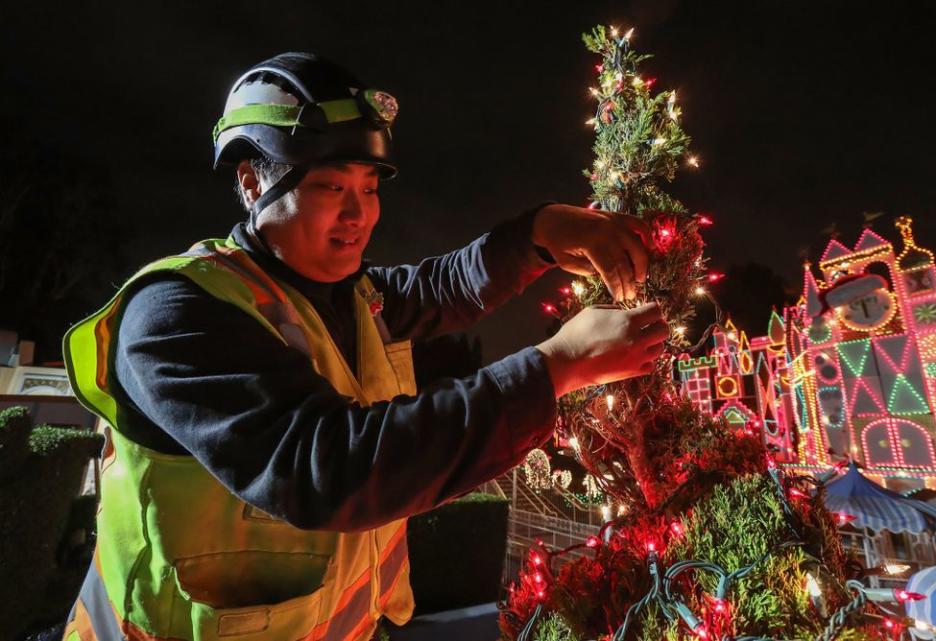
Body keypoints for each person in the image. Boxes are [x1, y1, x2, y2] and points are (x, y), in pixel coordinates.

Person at [60, 52, 669, 641]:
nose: (359, 216)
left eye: (370, 187)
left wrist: (539, 233)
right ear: (251, 183)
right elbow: (323, 466)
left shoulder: (355, 297)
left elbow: (442, 285)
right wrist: (551, 370)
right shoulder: (176, 315)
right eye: (329, 187)